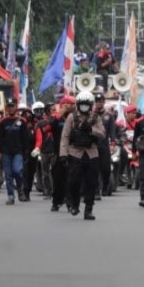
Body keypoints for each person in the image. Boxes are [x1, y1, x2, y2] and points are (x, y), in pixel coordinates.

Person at [59, 91, 105, 220]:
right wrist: (63, 154)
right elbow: (65, 136)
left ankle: (88, 209)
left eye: (86, 104)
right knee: (73, 181)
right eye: (82, 104)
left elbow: (102, 133)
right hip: (75, 153)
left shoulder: (95, 118)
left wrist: (90, 130)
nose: (84, 107)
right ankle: (74, 204)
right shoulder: (72, 117)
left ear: (90, 105)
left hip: (91, 153)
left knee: (91, 183)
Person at [0, 99, 28, 205]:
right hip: (6, 152)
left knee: (17, 171)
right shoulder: (3, 121)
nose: (10, 108)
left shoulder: (22, 121)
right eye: (8, 106)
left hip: (18, 152)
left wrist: (26, 152)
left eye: (12, 106)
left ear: (16, 107)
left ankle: (20, 189)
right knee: (8, 175)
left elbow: (25, 138)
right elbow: (0, 137)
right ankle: (10, 195)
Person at [49, 96, 75, 211]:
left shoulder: (75, 119)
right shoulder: (56, 119)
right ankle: (56, 202)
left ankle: (70, 202)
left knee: (70, 179)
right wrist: (60, 114)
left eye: (73, 105)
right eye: (69, 105)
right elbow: (48, 128)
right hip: (58, 153)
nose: (72, 107)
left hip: (72, 153)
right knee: (57, 180)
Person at [94, 93, 116, 198]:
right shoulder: (91, 114)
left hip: (104, 145)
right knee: (94, 168)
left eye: (101, 101)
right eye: (97, 101)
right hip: (93, 145)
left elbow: (112, 131)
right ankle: (96, 190)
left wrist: (112, 144)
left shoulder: (109, 116)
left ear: (104, 102)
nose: (99, 103)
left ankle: (105, 187)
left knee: (106, 168)